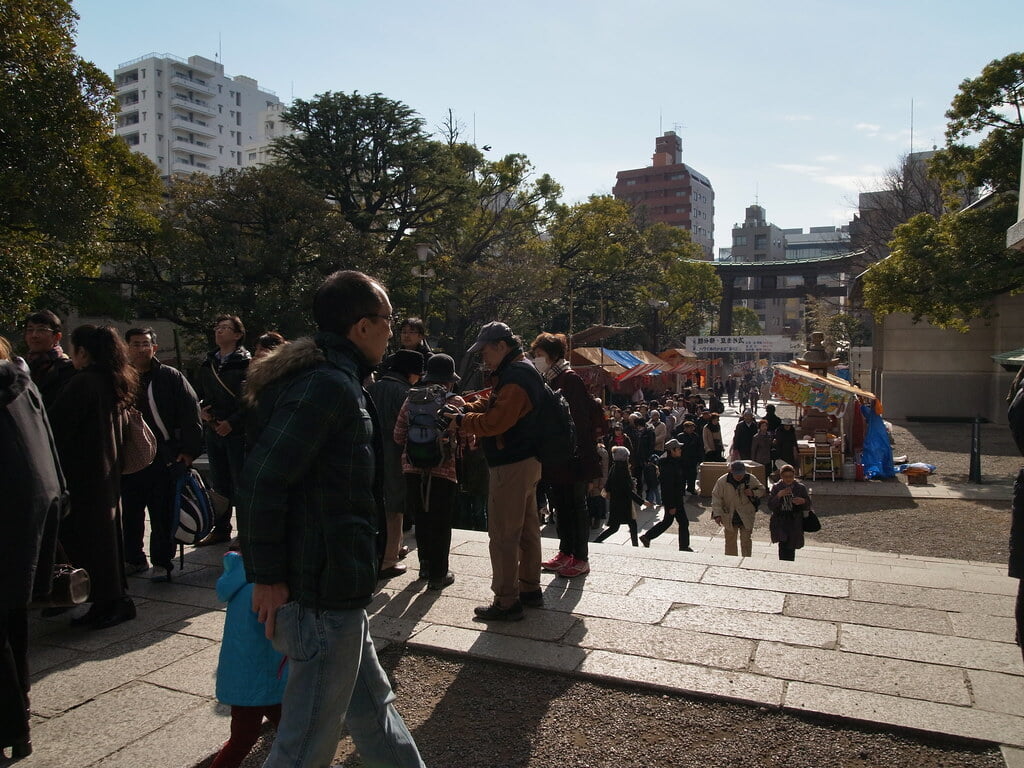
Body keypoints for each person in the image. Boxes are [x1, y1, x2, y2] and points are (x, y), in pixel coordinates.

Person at [238, 269, 425, 768]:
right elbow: (262, 481)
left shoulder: (333, 380)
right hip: (317, 591)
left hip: (335, 585)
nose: (392, 329)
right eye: (387, 319)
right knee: (305, 745)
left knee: (373, 711)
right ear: (361, 326)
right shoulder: (327, 385)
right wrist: (268, 577)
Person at [445, 322, 545, 622]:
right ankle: (529, 588)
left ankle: (505, 600)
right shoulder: (520, 368)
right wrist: (467, 405)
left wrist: (460, 421)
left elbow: (494, 423)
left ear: (501, 346)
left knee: (503, 533)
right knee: (527, 529)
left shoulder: (514, 377)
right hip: (528, 460)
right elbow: (494, 403)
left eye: (485, 351)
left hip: (511, 463)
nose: (483, 358)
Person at [50, 325, 138, 629]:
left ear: (82, 352)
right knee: (107, 540)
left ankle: (110, 602)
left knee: (93, 543)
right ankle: (112, 600)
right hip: (106, 473)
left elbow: (57, 430)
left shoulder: (83, 383)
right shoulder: (111, 379)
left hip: (84, 476)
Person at [0, 348, 63, 760]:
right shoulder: (23, 379)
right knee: (13, 619)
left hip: (9, 512)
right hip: (32, 513)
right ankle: (18, 712)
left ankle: (11, 722)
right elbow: (48, 444)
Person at [120, 328, 203, 582]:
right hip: (130, 457)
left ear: (154, 348)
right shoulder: (122, 378)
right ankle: (133, 558)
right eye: (135, 344)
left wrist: (188, 452)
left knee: (162, 511)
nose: (141, 349)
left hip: (164, 456)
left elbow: (191, 414)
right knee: (131, 512)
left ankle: (162, 561)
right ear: (127, 348)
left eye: (146, 344)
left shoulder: (170, 377)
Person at [531, 333, 601, 579]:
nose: (536, 359)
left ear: (552, 355)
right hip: (556, 455)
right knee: (560, 505)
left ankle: (580, 558)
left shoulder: (569, 378)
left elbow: (579, 422)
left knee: (575, 506)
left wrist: (579, 454)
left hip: (573, 456)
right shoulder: (549, 379)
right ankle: (565, 552)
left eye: (539, 355)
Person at [210, 547, 287, 768]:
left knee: (288, 730)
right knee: (244, 739)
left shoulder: (241, 577)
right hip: (262, 678)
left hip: (248, 677)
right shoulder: (263, 587)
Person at [394, 353, 462, 590]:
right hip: (443, 470)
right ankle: (438, 574)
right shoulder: (454, 401)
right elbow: (464, 435)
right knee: (440, 521)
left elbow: (398, 435)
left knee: (421, 518)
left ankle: (424, 566)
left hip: (412, 467)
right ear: (449, 380)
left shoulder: (410, 400)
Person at [195, 314, 251, 546]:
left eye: (225, 328)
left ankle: (245, 530)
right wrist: (203, 412)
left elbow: (251, 400)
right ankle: (221, 528)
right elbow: (200, 394)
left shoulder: (247, 362)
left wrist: (233, 422)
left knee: (241, 482)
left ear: (237, 335)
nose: (219, 331)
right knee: (219, 482)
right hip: (214, 428)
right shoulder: (208, 363)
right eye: (217, 327)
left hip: (237, 431)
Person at [368, 349, 425, 579]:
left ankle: (386, 549)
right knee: (394, 507)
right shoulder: (405, 393)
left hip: (370, 453)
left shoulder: (373, 387)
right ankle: (388, 560)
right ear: (411, 373)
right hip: (394, 455)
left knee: (376, 505)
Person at [640, 439, 692, 551]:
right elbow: (668, 488)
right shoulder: (668, 466)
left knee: (670, 522)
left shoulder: (675, 462)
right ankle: (683, 546)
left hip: (676, 498)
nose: (680, 450)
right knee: (680, 522)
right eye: (678, 448)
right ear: (672, 451)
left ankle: (647, 537)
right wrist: (671, 505)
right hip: (673, 499)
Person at [594, 446, 651, 546]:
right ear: (624, 457)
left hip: (616, 502)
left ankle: (598, 541)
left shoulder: (615, 467)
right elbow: (628, 491)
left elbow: (609, 485)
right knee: (629, 524)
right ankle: (634, 545)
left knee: (618, 527)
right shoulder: (622, 470)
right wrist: (642, 502)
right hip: (623, 503)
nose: (628, 458)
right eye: (627, 456)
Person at [22, 310, 75, 409]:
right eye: (30, 330)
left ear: (57, 336)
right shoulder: (19, 367)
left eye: (41, 330)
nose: (34, 335)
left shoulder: (68, 369)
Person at [711, 460, 765, 557]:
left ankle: (747, 560)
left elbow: (762, 489)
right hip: (729, 515)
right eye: (737, 474)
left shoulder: (750, 479)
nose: (739, 476)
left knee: (746, 541)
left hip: (746, 514)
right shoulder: (722, 481)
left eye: (741, 474)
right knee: (730, 541)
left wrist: (753, 493)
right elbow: (716, 498)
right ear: (731, 471)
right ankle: (731, 562)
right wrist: (717, 514)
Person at [766, 464, 811, 561]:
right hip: (780, 520)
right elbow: (770, 505)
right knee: (782, 544)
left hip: (795, 520)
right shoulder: (776, 487)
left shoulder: (800, 487)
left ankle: (789, 563)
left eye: (791, 476)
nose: (788, 479)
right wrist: (778, 496)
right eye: (786, 477)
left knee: (792, 545)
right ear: (781, 476)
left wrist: (802, 501)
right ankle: (783, 563)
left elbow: (808, 504)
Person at [677, 420, 702, 495]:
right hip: (683, 459)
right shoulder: (680, 436)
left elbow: (699, 447)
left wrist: (700, 458)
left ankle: (691, 488)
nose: (692, 429)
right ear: (685, 428)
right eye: (690, 428)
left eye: (692, 428)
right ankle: (682, 490)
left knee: (692, 475)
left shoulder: (695, 436)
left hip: (692, 459)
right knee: (682, 476)